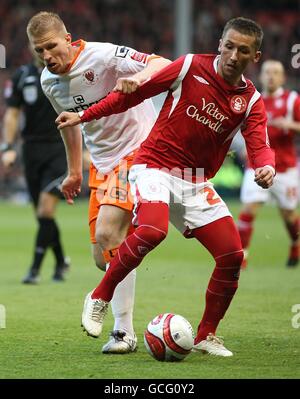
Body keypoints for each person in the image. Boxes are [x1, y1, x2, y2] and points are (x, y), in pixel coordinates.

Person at [56, 17, 275, 357]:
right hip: (153, 166)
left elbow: (259, 144)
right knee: (153, 231)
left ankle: (206, 335)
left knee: (231, 255)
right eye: (229, 46)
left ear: (254, 56)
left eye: (243, 50)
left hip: (194, 180)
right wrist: (83, 117)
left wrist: (265, 167)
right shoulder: (189, 66)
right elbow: (131, 96)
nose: (233, 55)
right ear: (220, 44)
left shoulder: (249, 100)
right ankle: (100, 296)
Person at [26, 11, 171, 354]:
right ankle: (142, 230)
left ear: (68, 39)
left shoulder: (103, 55)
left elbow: (161, 63)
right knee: (103, 256)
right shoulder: (49, 80)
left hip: (139, 149)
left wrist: (140, 79)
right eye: (38, 51)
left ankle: (122, 333)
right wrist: (75, 171)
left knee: (109, 233)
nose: (46, 56)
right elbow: (71, 124)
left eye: (51, 47)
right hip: (103, 164)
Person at [1, 52, 70, 284]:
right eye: (38, 46)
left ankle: (34, 270)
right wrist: (7, 147)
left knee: (45, 211)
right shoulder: (22, 76)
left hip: (60, 149)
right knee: (42, 217)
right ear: (31, 47)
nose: (44, 51)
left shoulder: (67, 73)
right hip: (31, 151)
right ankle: (61, 261)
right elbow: (12, 114)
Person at [237, 60, 300, 269]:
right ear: (261, 76)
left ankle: (295, 244)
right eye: (267, 72)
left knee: (289, 215)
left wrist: (290, 125)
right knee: (248, 209)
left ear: (282, 78)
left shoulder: (292, 101)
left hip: (285, 168)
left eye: (276, 72)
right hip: (257, 166)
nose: (271, 76)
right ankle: (241, 257)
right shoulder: (254, 101)